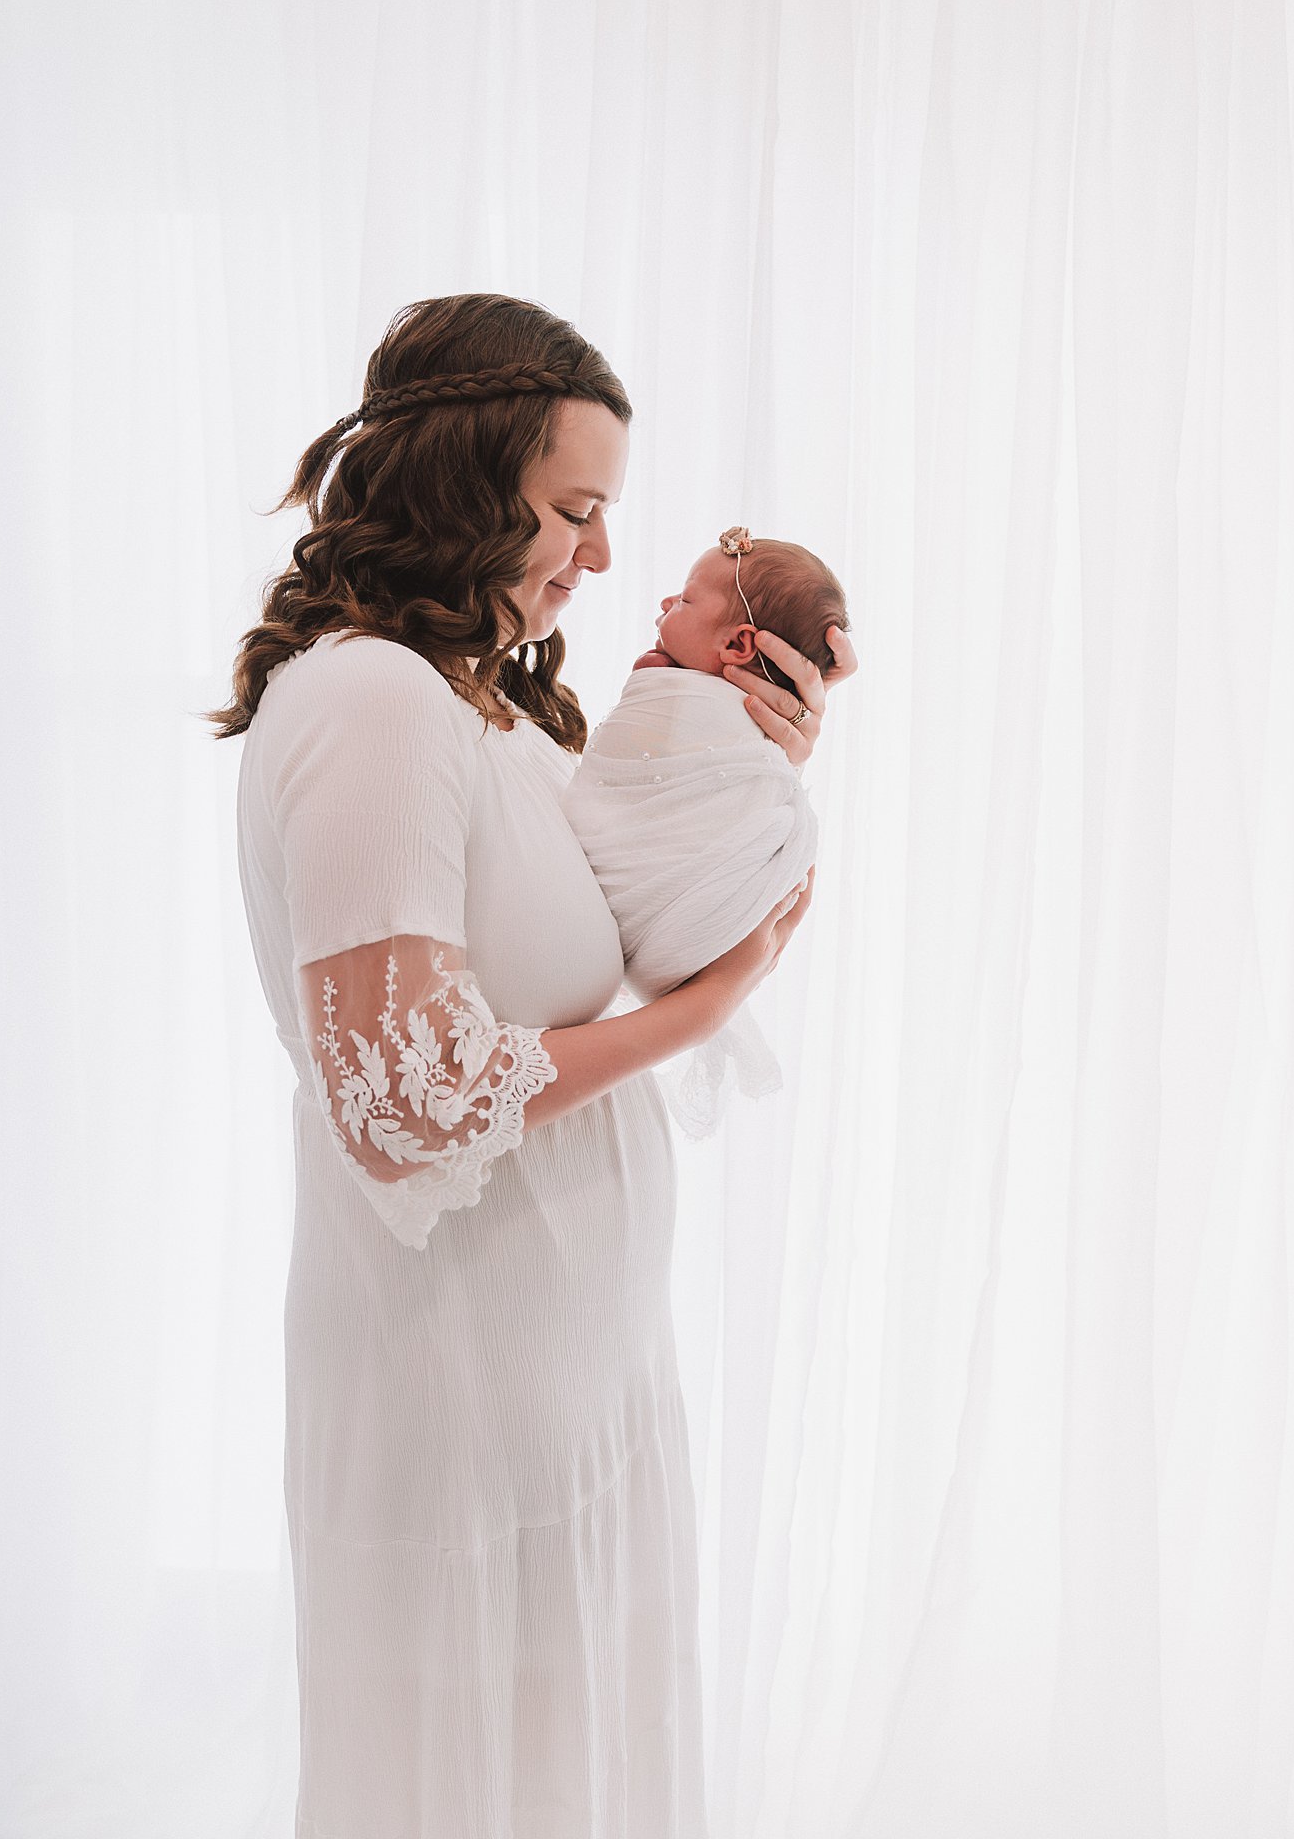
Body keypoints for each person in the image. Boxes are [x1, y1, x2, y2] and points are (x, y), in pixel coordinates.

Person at [208, 292, 857, 1837]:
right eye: (574, 509)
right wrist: (714, 1011)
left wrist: (744, 774)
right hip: (460, 1399)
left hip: (565, 1381)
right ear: (459, 480)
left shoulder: (481, 707)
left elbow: (604, 932)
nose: (605, 557)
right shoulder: (371, 703)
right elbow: (410, 1103)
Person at [561, 528, 850, 1137]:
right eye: (573, 510)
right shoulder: (665, 690)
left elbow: (705, 797)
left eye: (686, 601)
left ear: (739, 642)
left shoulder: (696, 699)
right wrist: (718, 993)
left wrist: (770, 761)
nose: (665, 606)